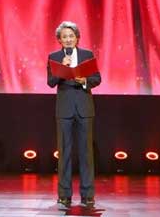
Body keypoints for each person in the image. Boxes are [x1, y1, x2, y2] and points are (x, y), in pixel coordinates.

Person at [47, 21, 101, 209]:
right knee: (64, 153)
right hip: (64, 110)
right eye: (64, 37)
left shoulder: (87, 55)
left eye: (71, 36)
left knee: (86, 153)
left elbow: (97, 79)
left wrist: (84, 80)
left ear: (77, 38)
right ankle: (64, 195)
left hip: (84, 108)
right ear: (59, 40)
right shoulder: (54, 57)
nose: (68, 39)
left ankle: (88, 195)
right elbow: (50, 82)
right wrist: (62, 69)